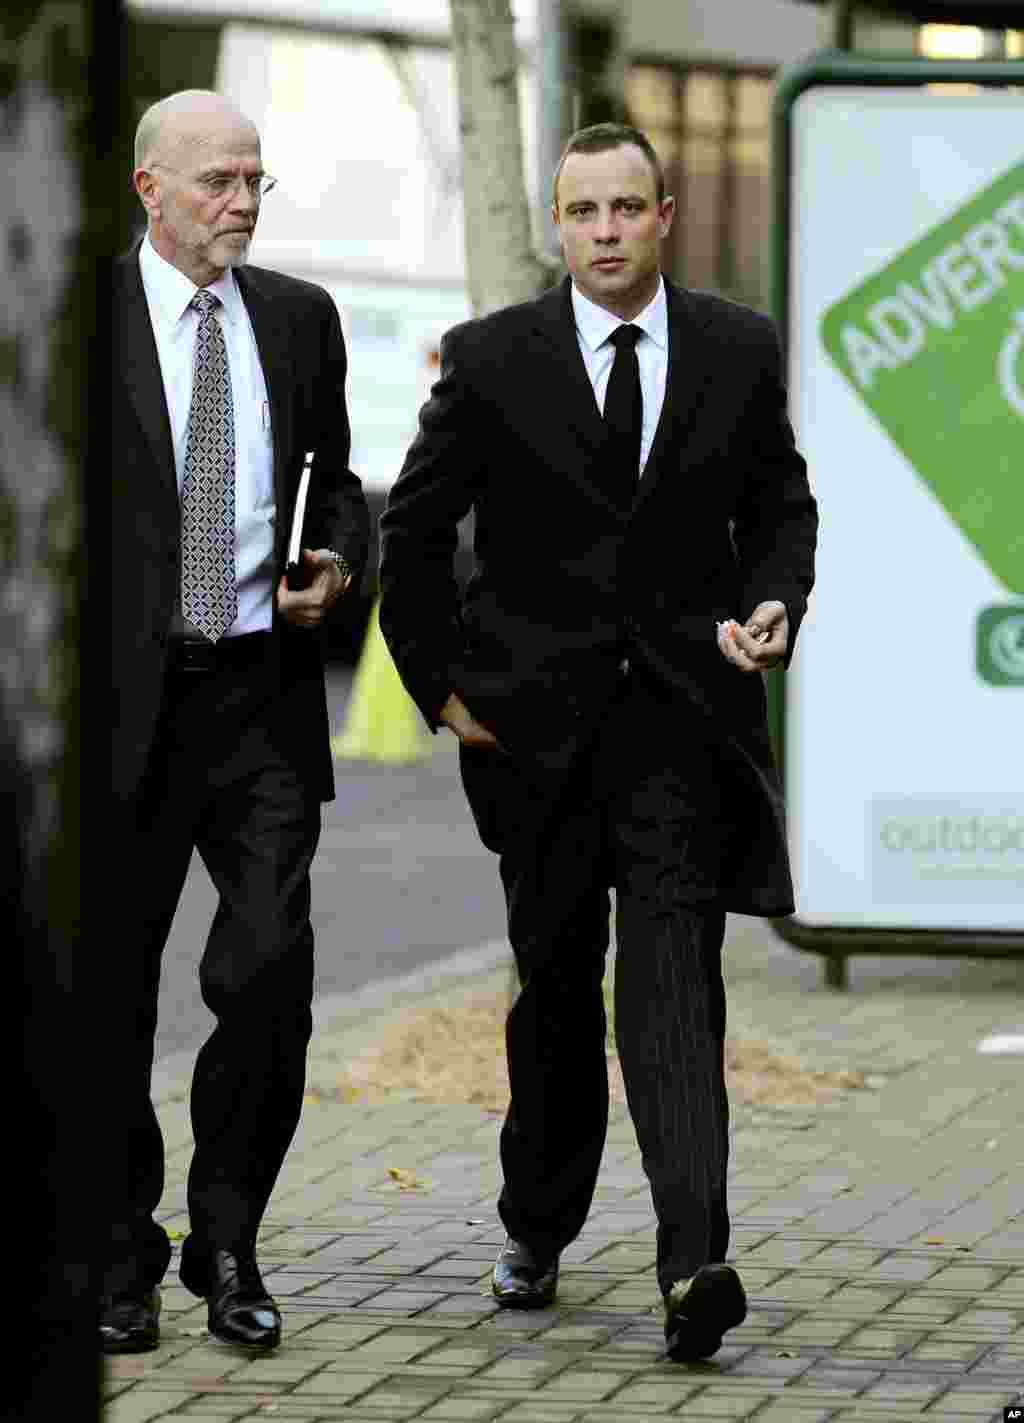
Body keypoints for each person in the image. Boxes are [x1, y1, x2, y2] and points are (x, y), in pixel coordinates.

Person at [378, 122, 817, 1362]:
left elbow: (779, 502)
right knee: (557, 987)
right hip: (533, 738)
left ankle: (694, 1265)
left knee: (674, 985)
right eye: (586, 212)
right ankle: (537, 1220)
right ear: (558, 224)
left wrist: (777, 600)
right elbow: (410, 538)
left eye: (630, 208)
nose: (609, 231)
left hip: (681, 721)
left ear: (665, 214)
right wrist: (441, 694)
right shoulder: (493, 357)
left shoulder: (734, 348)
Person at [106, 89, 368, 1354]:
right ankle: (116, 1252)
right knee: (102, 995)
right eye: (218, 181)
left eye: (256, 181)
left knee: (267, 977)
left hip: (261, 698)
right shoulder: (70, 316)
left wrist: (336, 562)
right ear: (149, 188)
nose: (243, 204)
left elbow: (339, 488)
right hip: (122, 709)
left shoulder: (302, 321)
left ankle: (230, 1241)